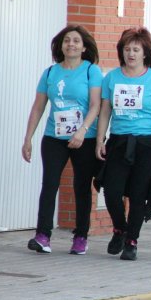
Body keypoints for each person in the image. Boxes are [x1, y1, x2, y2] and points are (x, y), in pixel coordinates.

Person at [23, 25, 103, 255]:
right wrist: (28, 138)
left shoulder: (91, 71)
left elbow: (96, 105)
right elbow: (38, 108)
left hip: (84, 138)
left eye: (76, 41)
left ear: (84, 47)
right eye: (67, 40)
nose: (71, 44)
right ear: (60, 45)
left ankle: (81, 237)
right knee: (49, 183)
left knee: (81, 186)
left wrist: (82, 130)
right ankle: (43, 235)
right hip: (54, 137)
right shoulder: (50, 73)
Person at [96, 27, 151, 261]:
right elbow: (105, 110)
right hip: (119, 140)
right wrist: (100, 139)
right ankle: (120, 229)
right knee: (112, 190)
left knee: (139, 193)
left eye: (136, 49)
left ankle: (131, 241)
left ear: (145, 53)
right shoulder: (112, 77)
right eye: (127, 49)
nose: (131, 54)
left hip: (147, 142)